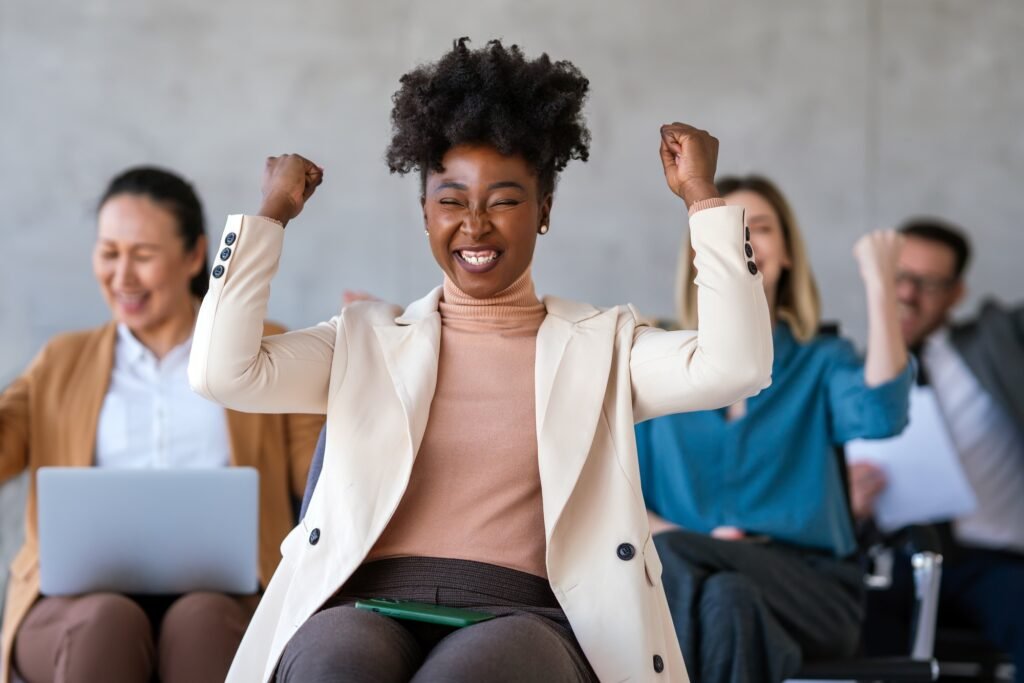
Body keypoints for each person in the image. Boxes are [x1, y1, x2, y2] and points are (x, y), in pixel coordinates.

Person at [187, 38, 773, 683]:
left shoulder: (604, 346)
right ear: (424, 213)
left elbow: (735, 365)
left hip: (524, 617)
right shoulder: (363, 340)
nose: (474, 224)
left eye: (503, 200)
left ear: (543, 211)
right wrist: (270, 216)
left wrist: (701, 198)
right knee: (333, 666)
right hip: (366, 604)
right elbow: (223, 373)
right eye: (451, 200)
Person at [0, 167, 323, 683]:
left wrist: (364, 378)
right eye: (109, 253)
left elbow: (322, 475)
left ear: (194, 256)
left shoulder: (261, 349)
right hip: (74, 605)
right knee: (107, 622)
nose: (122, 276)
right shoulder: (60, 361)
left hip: (228, 596)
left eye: (143, 255)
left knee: (203, 623)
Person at [635, 175, 914, 683]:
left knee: (676, 560)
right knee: (729, 600)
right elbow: (621, 501)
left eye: (760, 228)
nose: (744, 240)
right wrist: (707, 546)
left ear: (786, 255)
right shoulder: (659, 364)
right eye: (729, 229)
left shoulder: (821, 361)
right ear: (699, 254)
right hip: (705, 584)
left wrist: (881, 285)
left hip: (811, 590)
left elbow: (881, 414)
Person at [849, 219, 1024, 681]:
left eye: (927, 284)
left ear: (956, 293)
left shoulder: (997, 344)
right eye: (899, 277)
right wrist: (848, 503)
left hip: (994, 562)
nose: (908, 294)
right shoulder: (852, 373)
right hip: (893, 561)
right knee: (848, 621)